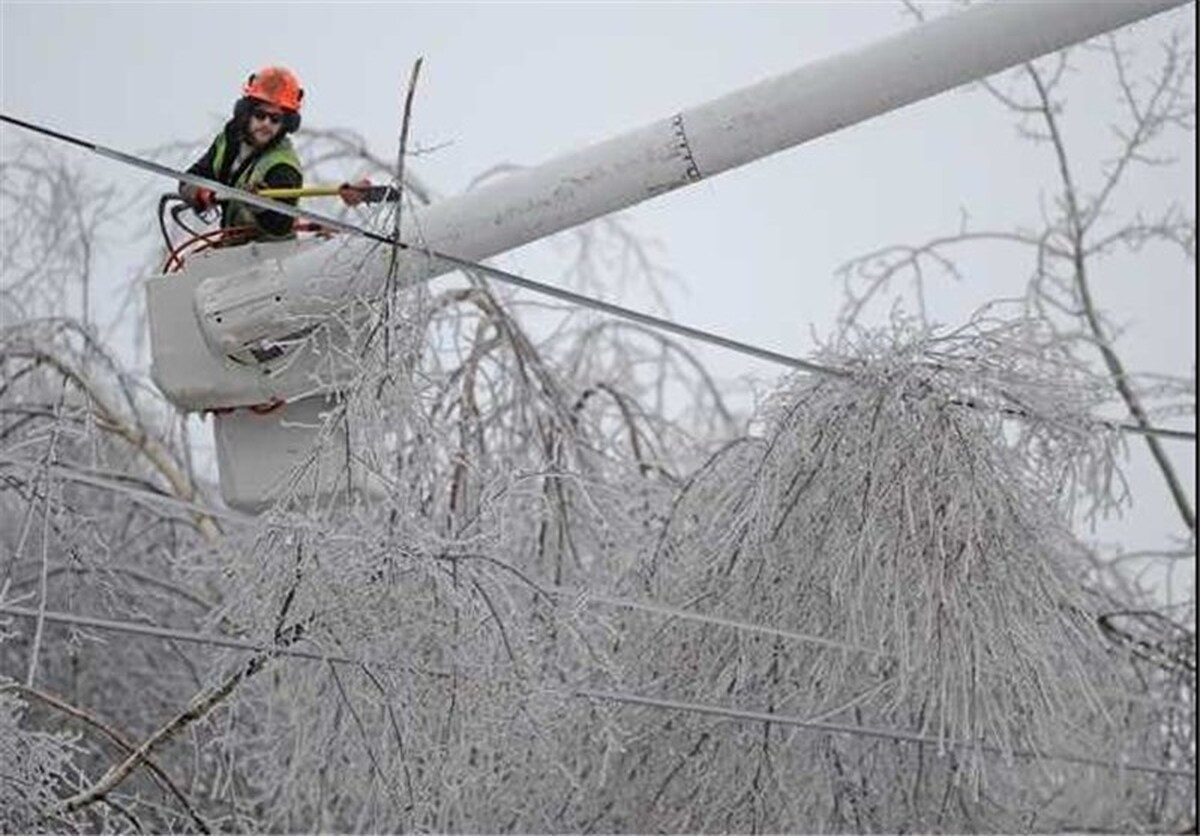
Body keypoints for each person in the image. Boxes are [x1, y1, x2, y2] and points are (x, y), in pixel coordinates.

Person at [180, 66, 368, 242]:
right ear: (246, 113)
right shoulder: (229, 139)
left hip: (268, 258)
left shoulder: (283, 166)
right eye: (260, 115)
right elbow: (192, 177)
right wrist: (198, 192)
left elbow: (281, 225)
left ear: (286, 124)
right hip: (230, 246)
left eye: (275, 119)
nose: (267, 124)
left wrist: (261, 205)